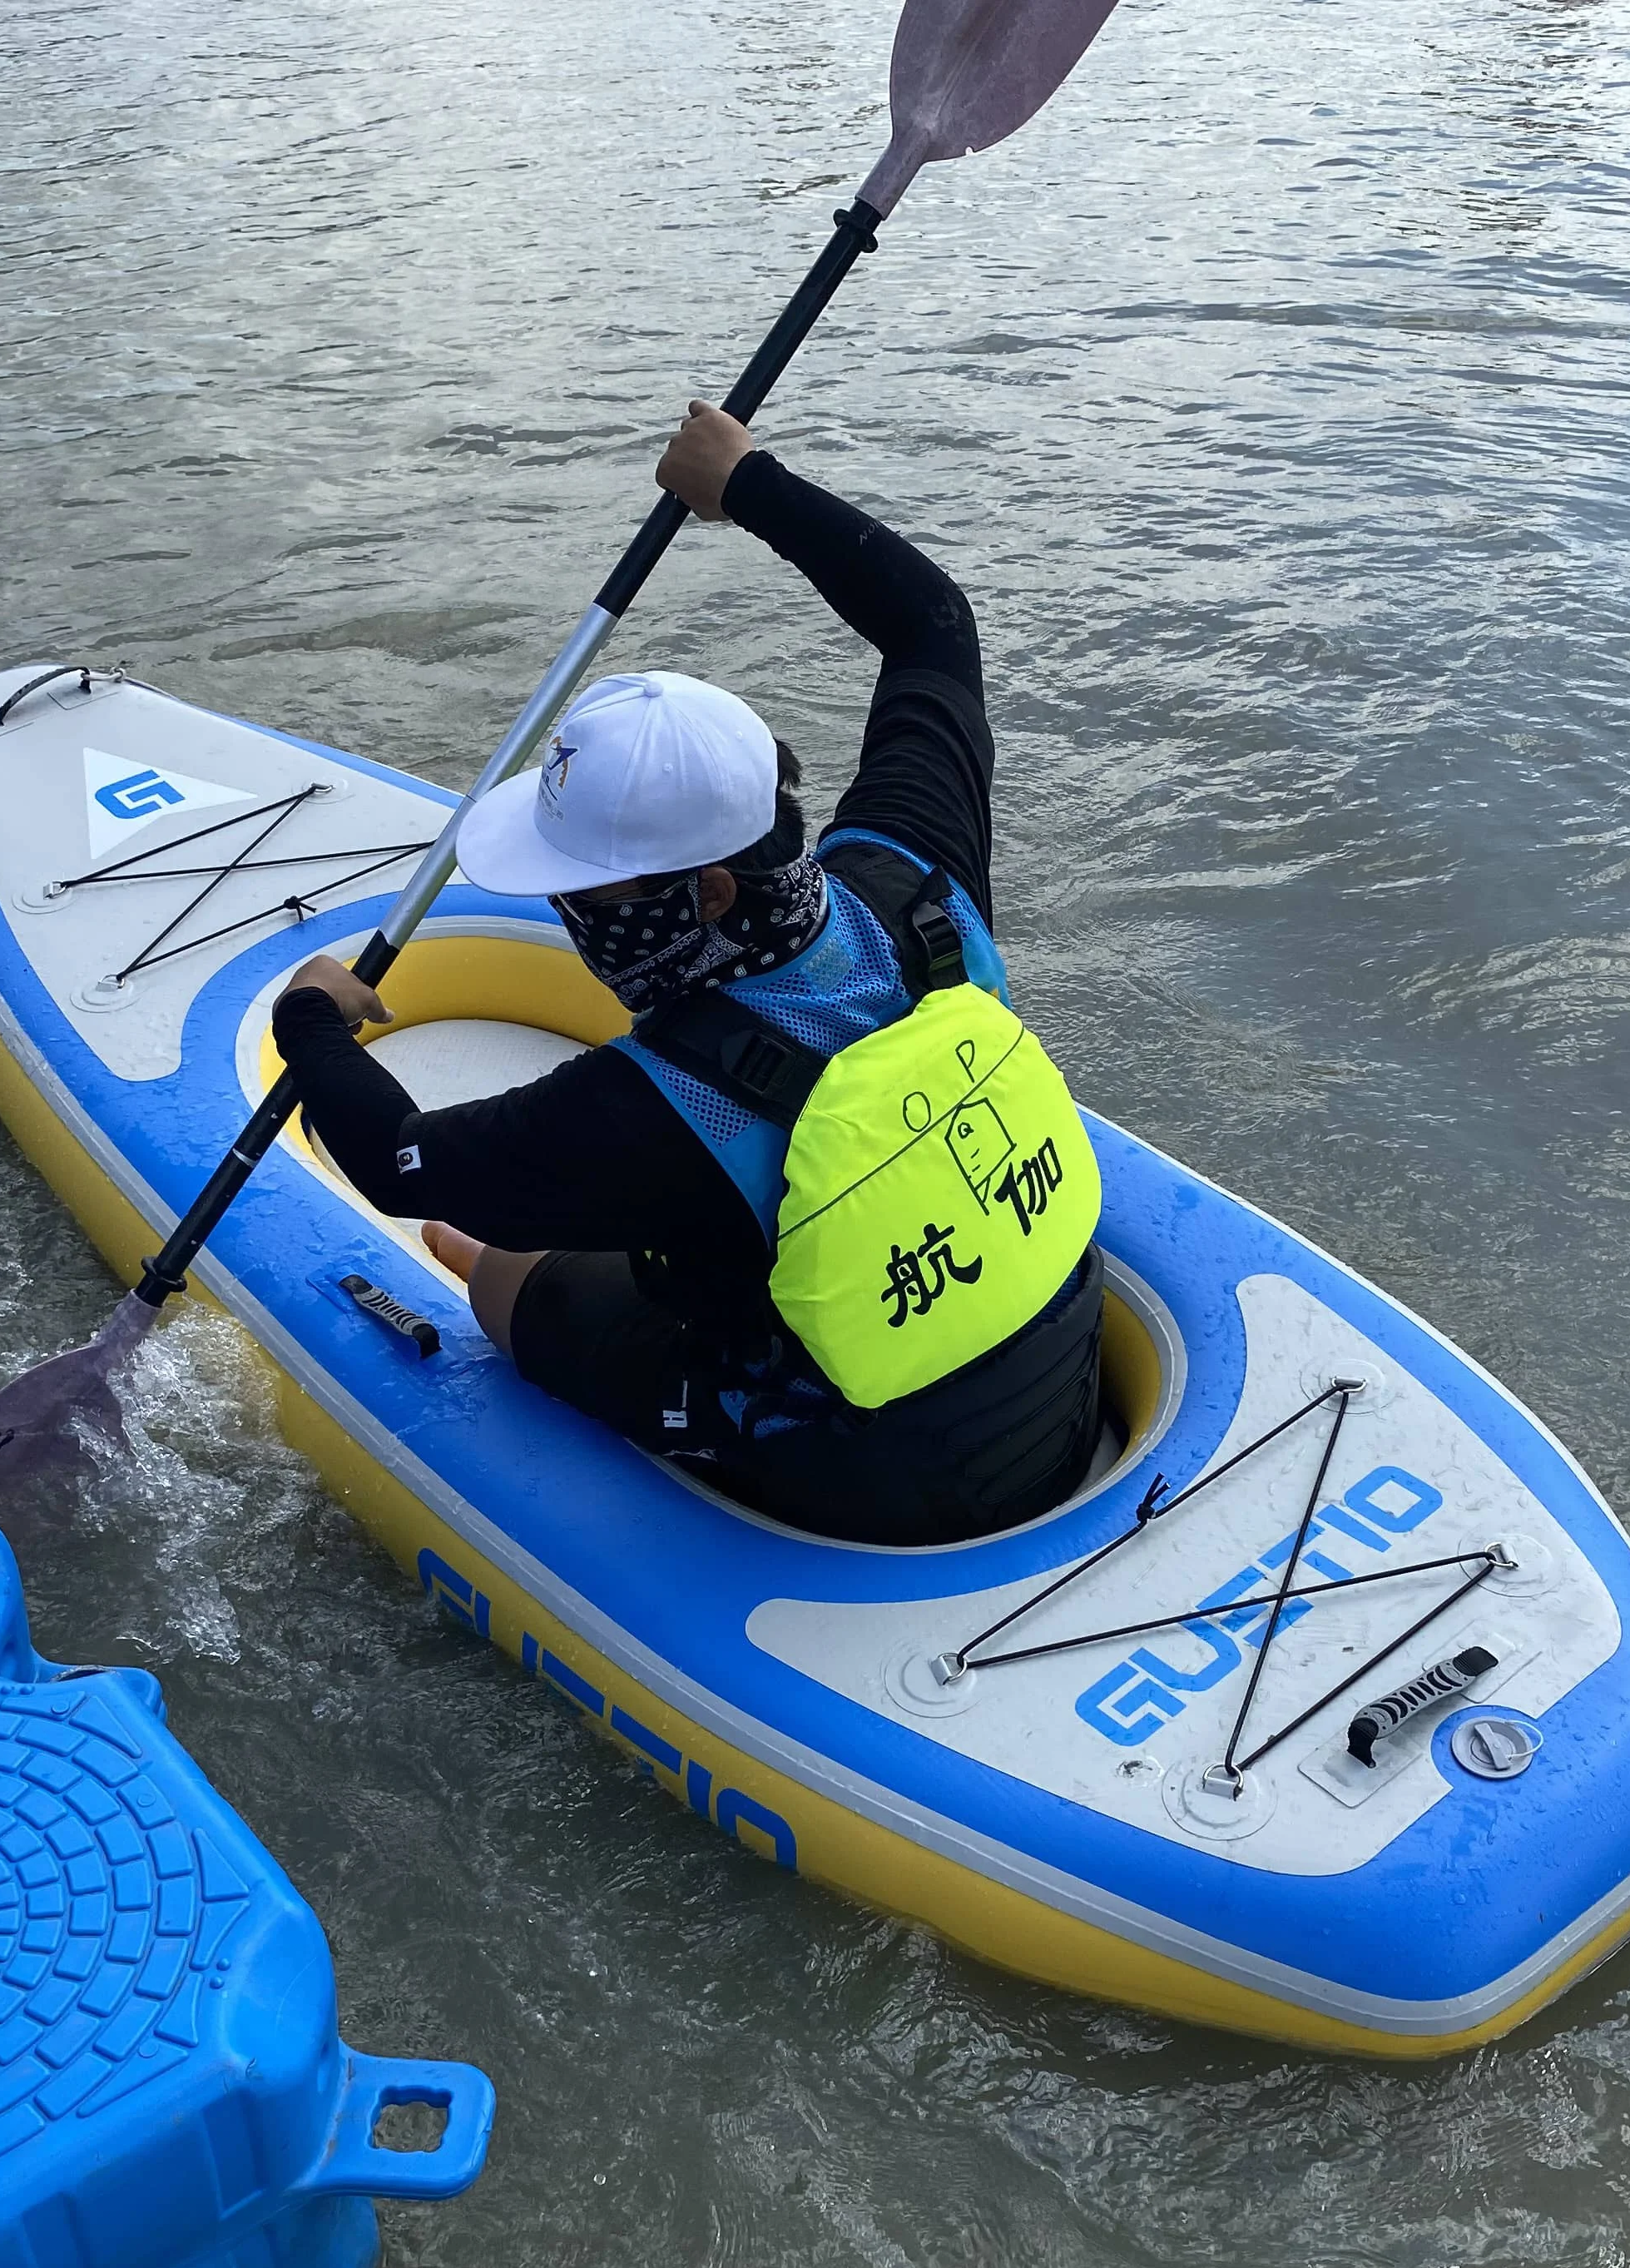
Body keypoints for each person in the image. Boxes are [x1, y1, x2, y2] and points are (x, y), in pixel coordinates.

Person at [272, 400, 1104, 1546]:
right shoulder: (914, 877)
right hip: (1057, 1360)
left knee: (505, 1274)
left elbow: (403, 1164)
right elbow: (933, 627)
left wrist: (310, 1023)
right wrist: (748, 484)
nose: (562, 911)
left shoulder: (654, 1106)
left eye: (582, 892)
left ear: (707, 890)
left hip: (893, 1475)